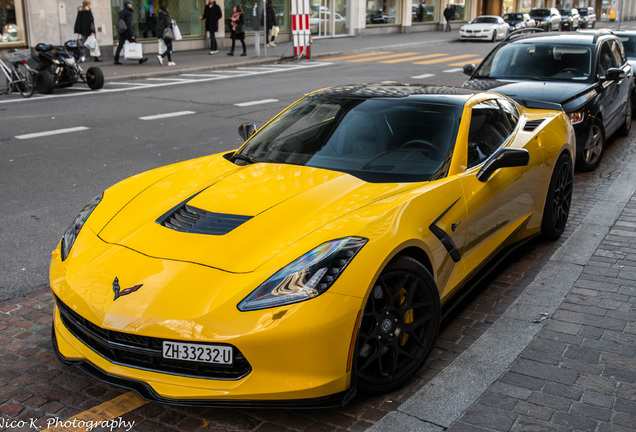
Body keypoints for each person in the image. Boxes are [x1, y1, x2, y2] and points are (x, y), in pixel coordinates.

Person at [113, 0, 148, 65]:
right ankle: (140, 59)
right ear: (128, 4)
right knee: (134, 43)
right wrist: (132, 34)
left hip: (122, 31)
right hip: (128, 32)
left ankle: (116, 59)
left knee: (120, 45)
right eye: (130, 4)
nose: (131, 5)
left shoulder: (121, 12)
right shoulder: (129, 13)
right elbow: (129, 24)